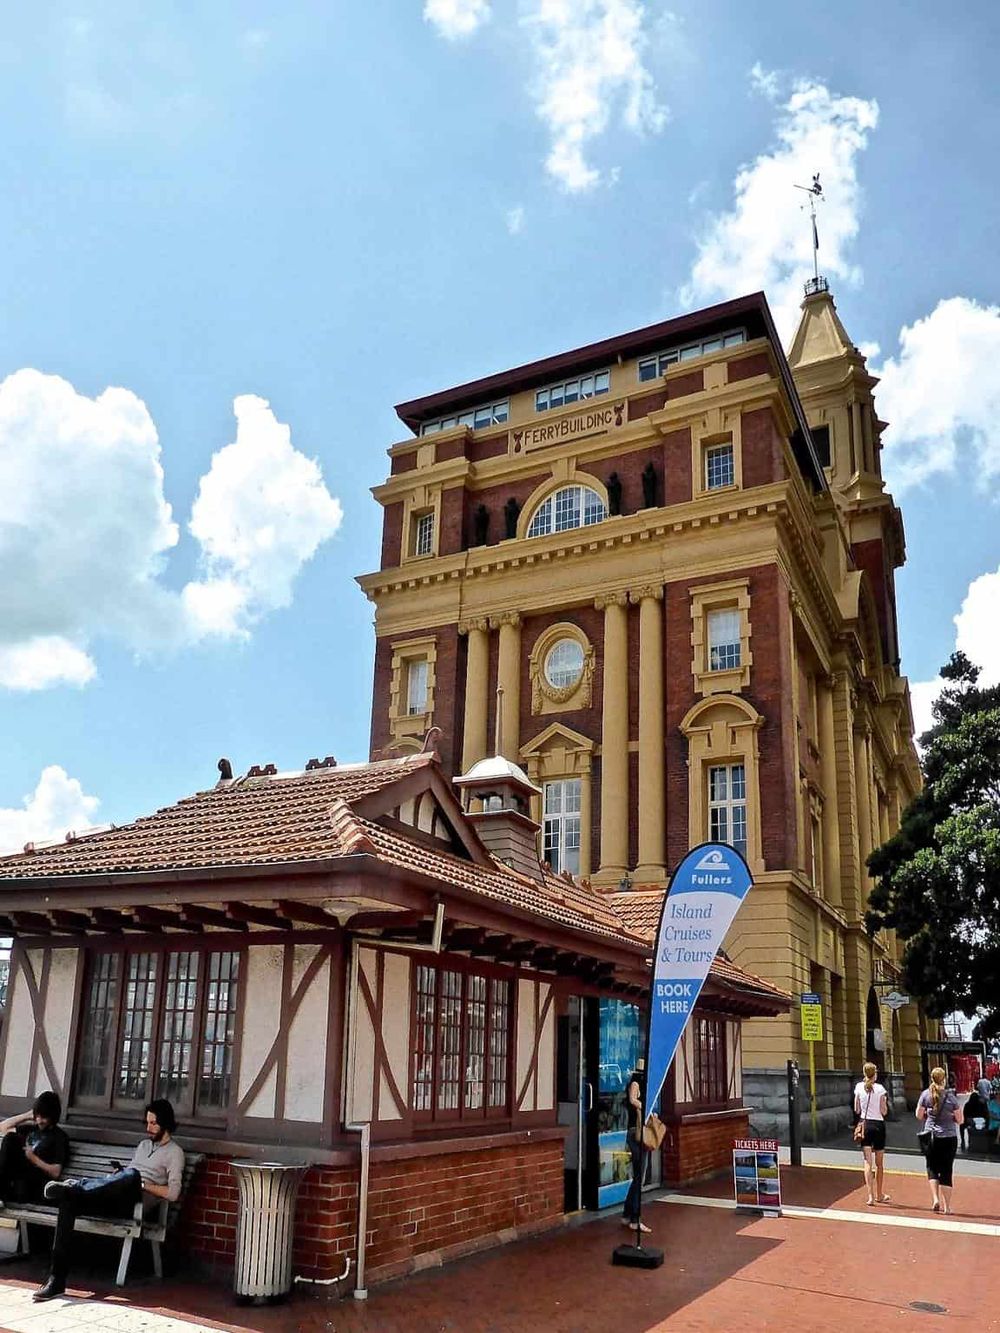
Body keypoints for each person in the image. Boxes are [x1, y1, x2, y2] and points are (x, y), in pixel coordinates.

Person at [33, 1099, 183, 1302]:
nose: (148, 1128)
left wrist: (141, 1184)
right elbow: (128, 1175)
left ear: (165, 1123)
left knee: (131, 1176)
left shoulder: (175, 1153)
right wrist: (118, 1176)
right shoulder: (143, 1145)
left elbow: (173, 1193)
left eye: (153, 1123)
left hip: (135, 1204)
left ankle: (76, 1186)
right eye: (147, 1123)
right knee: (69, 1201)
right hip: (117, 1196)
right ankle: (56, 1279)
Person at [0, 1091, 69, 1204]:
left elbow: (56, 1172)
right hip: (15, 1180)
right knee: (10, 1138)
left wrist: (33, 1158)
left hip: (32, 1185)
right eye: (37, 1116)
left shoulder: (59, 1137)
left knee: (11, 1139)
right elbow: (2, 1127)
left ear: (53, 1116)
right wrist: (27, 1115)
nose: (39, 1121)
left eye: (43, 1117)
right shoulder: (31, 1129)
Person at [916, 1066, 963, 1214]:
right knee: (947, 1170)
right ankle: (947, 1207)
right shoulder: (951, 1097)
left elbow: (918, 1115)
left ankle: (935, 1199)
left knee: (932, 1167)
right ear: (944, 1079)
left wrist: (928, 1117)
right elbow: (960, 1119)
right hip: (949, 1137)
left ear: (932, 1078)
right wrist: (952, 1119)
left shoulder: (925, 1095)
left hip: (930, 1137)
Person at [853, 1062, 890, 1206]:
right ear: (874, 1074)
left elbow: (856, 1109)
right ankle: (880, 1194)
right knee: (879, 1164)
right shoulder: (880, 1089)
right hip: (878, 1125)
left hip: (865, 1125)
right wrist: (884, 1102)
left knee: (867, 1162)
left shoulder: (858, 1087)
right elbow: (884, 1111)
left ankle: (870, 1196)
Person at [621, 1059, 651, 1235]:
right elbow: (633, 1100)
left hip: (635, 1131)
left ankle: (627, 1214)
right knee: (640, 1175)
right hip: (636, 1131)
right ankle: (634, 1218)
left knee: (638, 1176)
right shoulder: (636, 1082)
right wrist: (644, 1107)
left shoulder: (637, 1080)